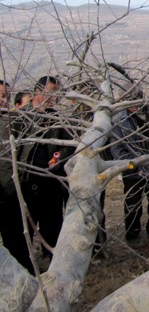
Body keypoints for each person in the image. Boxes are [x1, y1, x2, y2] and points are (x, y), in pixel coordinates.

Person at [16, 76, 75, 262]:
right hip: (26, 182)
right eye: (50, 93)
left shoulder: (56, 118)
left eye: (56, 94)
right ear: (37, 91)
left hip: (51, 181)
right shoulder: (20, 118)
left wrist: (58, 159)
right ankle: (25, 265)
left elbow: (69, 145)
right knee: (23, 228)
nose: (53, 98)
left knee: (53, 225)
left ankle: (52, 260)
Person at [110, 92, 149, 248]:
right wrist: (135, 165)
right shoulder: (119, 121)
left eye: (137, 100)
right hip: (132, 170)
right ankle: (132, 234)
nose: (135, 104)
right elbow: (117, 150)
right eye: (131, 101)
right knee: (133, 204)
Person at [0, 80, 35, 273]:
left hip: (11, 189)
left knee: (16, 237)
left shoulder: (12, 121)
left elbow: (21, 153)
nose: (4, 100)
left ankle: (24, 273)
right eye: (1, 96)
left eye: (6, 96)